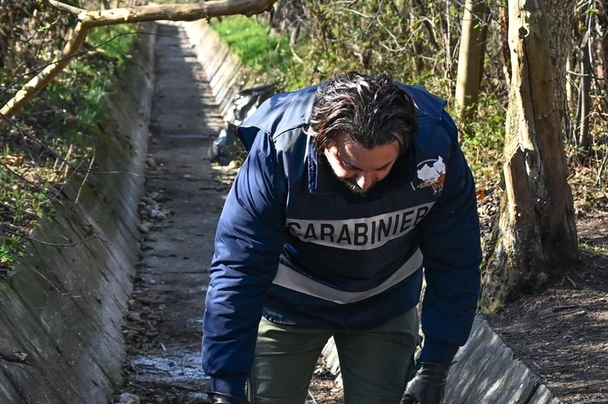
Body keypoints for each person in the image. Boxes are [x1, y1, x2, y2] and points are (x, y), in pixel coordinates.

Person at [201, 72, 482, 404]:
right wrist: (226, 386)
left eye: (381, 167)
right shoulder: (280, 154)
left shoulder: (434, 154)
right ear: (322, 140)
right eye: (350, 165)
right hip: (289, 305)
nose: (365, 182)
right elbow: (238, 269)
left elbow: (456, 259)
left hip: (385, 303)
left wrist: (436, 368)